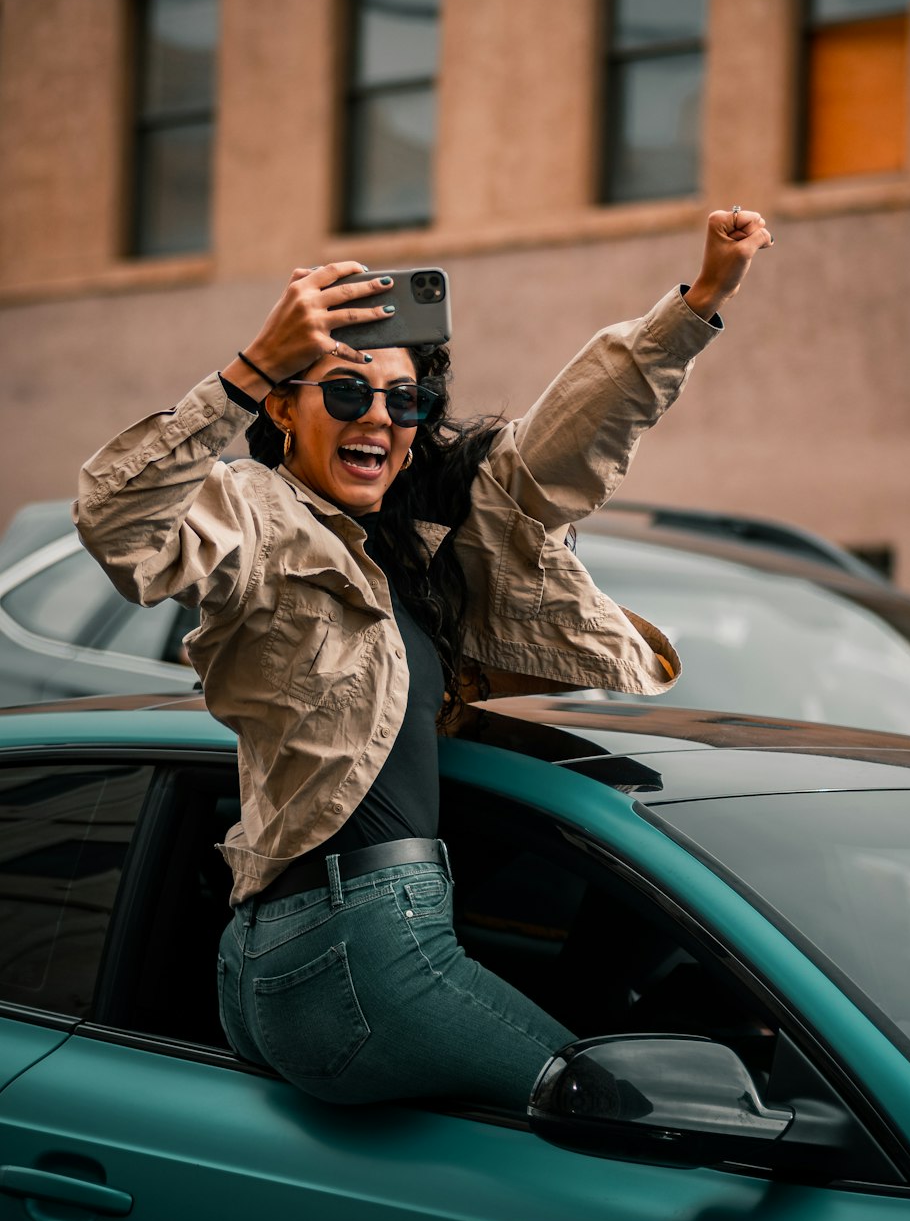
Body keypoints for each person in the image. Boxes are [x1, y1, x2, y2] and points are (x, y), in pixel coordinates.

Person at [74, 205, 772, 1109]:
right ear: (284, 407)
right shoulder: (255, 510)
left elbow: (565, 442)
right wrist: (248, 368)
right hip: (354, 946)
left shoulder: (426, 546)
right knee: (626, 1117)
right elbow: (118, 520)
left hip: (335, 941)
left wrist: (699, 300)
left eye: (403, 401)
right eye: (346, 391)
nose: (381, 417)